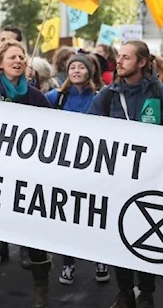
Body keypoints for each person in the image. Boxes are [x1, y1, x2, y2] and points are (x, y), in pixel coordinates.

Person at [88, 40, 163, 308]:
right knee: (118, 238)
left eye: (125, 57)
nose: (118, 62)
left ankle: (146, 293)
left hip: (150, 179)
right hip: (116, 180)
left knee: (144, 237)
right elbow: (88, 128)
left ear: (142, 62)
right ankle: (124, 292)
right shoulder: (107, 95)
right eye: (118, 57)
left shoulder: (160, 93)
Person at [0, 40, 51, 308]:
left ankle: (40, 289)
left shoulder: (36, 97)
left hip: (28, 178)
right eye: (12, 57)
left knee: (35, 234)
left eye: (22, 57)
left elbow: (53, 135)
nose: (18, 61)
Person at [43, 55, 109, 284]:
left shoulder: (101, 97)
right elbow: (34, 111)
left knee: (95, 215)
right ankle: (68, 264)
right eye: (73, 67)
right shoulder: (56, 97)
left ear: (90, 72)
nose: (77, 70)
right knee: (67, 218)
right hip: (64, 168)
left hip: (94, 168)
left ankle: (100, 259)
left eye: (82, 67)